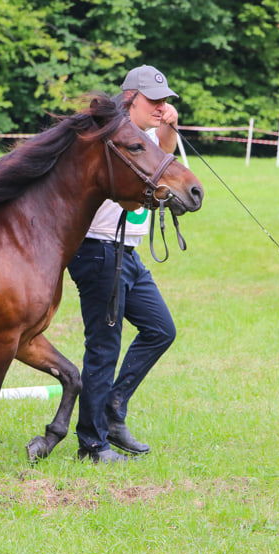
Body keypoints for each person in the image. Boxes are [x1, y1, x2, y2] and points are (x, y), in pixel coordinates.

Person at [69, 65, 179, 463]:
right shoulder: (109, 139)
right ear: (130, 98)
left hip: (128, 253)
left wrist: (172, 124)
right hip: (99, 249)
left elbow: (163, 158)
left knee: (160, 330)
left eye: (165, 101)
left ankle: (113, 409)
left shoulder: (144, 139)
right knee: (103, 348)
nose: (161, 107)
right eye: (154, 100)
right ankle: (92, 444)